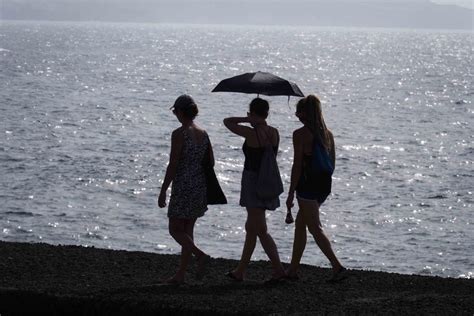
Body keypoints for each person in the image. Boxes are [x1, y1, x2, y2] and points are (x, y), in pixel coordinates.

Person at [223, 97, 286, 282]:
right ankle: (240, 271)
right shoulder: (274, 132)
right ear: (267, 113)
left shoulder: (250, 134)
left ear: (252, 113)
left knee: (260, 229)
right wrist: (255, 120)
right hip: (269, 181)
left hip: (253, 182)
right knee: (251, 228)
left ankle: (279, 269)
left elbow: (227, 122)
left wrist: (247, 120)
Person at [285, 94, 346, 281]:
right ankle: (292, 270)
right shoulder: (328, 134)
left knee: (315, 228)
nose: (296, 115)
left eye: (298, 111)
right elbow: (332, 164)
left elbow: (297, 166)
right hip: (323, 185)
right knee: (301, 224)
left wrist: (290, 193)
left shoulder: (300, 135)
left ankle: (337, 267)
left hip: (307, 185)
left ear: (304, 114)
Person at [158, 94, 212, 284]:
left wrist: (164, 189)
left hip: (183, 185)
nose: (175, 114)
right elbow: (210, 162)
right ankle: (181, 274)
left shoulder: (179, 134)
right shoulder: (203, 133)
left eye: (175, 111)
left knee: (175, 229)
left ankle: (201, 256)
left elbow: (173, 164)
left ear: (181, 112)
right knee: (188, 231)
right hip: (199, 184)